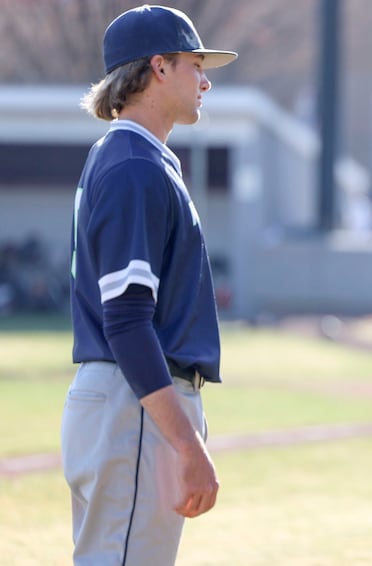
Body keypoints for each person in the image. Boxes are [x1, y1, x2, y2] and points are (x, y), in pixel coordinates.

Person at [61, 5, 237, 565]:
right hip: (133, 404)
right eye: (194, 63)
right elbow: (128, 320)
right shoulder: (135, 164)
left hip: (124, 403)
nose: (205, 79)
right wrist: (187, 441)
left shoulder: (129, 156)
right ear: (159, 67)